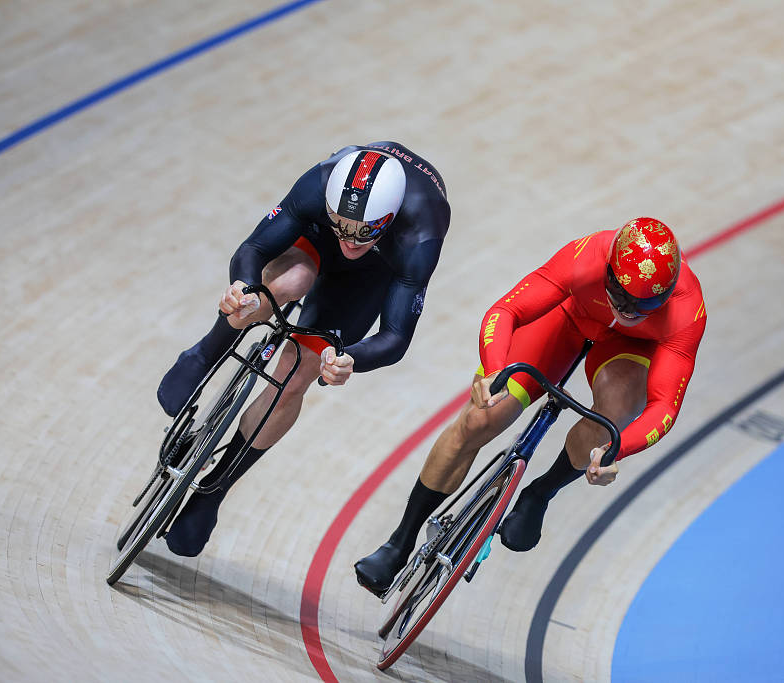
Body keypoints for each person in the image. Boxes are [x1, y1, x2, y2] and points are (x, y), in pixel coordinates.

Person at [355, 217, 707, 595]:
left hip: (630, 350)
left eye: (647, 305)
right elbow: (505, 311)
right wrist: (493, 372)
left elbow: (664, 407)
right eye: (620, 297)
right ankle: (398, 543)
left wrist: (617, 448)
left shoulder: (687, 311)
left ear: (668, 294)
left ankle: (540, 493)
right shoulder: (586, 257)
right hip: (570, 317)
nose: (630, 311)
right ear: (607, 270)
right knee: (481, 419)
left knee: (611, 422)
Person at [158, 142, 450, 557]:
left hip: (374, 271)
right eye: (342, 225)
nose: (350, 239)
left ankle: (213, 492)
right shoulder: (321, 182)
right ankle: (205, 353)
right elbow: (254, 249)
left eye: (362, 231)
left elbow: (396, 336)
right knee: (282, 285)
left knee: (295, 375)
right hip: (315, 237)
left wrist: (351, 358)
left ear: (387, 221)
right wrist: (242, 289)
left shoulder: (421, 231)